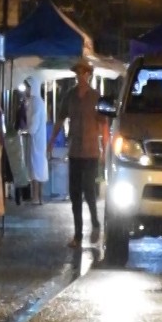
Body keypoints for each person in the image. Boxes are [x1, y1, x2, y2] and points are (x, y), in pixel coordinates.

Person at [58, 58, 103, 247]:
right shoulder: (69, 96)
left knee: (89, 190)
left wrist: (106, 149)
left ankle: (95, 222)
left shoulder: (96, 96)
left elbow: (103, 123)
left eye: (84, 73)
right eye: (78, 73)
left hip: (91, 151)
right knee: (75, 193)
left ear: (89, 75)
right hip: (75, 150)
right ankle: (78, 235)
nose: (81, 76)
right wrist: (51, 143)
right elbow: (60, 119)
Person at [23, 76, 49, 204]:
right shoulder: (33, 102)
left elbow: (33, 125)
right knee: (36, 168)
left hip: (36, 140)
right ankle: (37, 197)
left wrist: (27, 130)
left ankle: (37, 197)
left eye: (27, 87)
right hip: (36, 140)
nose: (26, 90)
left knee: (36, 168)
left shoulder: (37, 103)